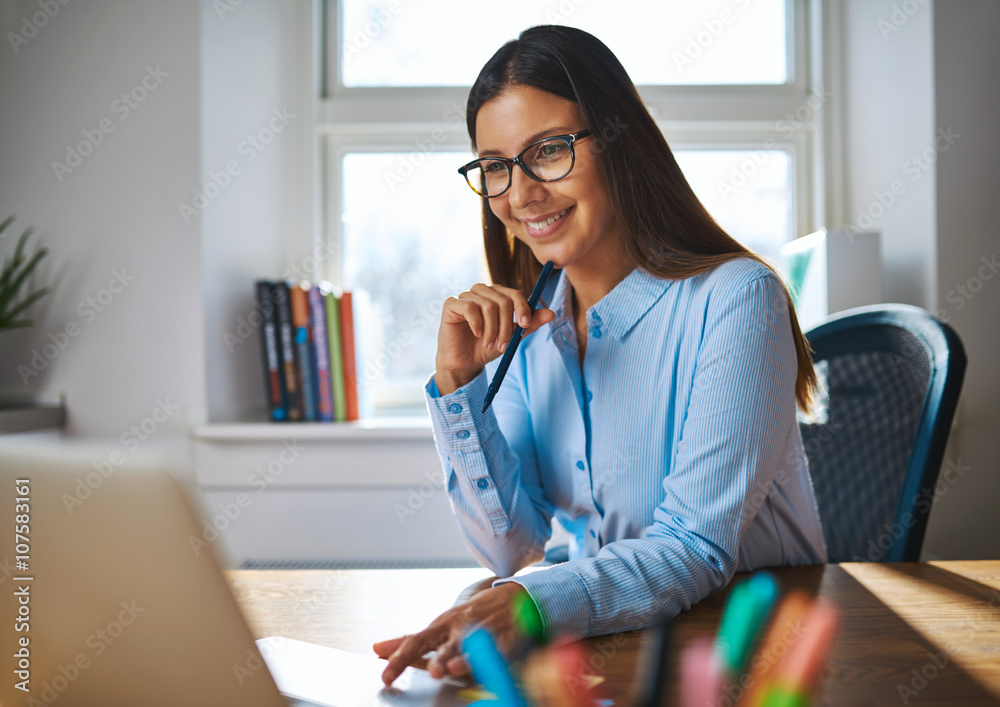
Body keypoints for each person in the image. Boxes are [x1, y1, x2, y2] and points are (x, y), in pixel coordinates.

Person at [374, 24, 827, 686]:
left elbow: (691, 547)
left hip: (744, 660)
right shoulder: (533, 323)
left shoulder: (737, 300)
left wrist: (529, 605)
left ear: (619, 143)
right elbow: (513, 543)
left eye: (549, 150)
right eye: (496, 166)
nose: (521, 193)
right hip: (612, 649)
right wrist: (459, 385)